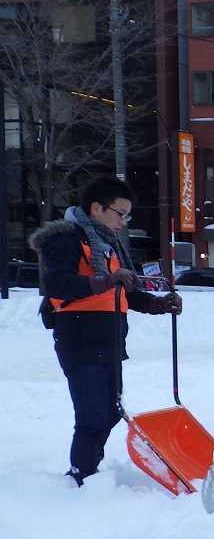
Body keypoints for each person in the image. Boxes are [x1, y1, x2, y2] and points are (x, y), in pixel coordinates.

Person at [29, 176, 183, 486]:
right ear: (96, 208)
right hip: (79, 338)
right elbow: (56, 284)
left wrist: (157, 304)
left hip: (110, 342)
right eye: (120, 213)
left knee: (111, 412)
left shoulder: (107, 246)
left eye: (128, 216)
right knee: (92, 415)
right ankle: (80, 476)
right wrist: (105, 281)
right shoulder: (66, 240)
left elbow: (122, 293)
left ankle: (89, 470)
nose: (124, 222)